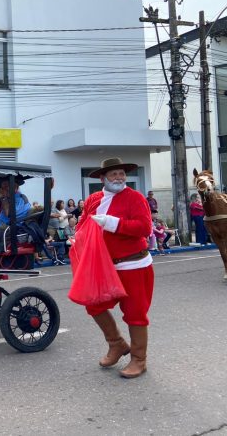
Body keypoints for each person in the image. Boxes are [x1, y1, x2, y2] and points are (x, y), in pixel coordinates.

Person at [79, 157, 154, 379]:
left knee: (135, 313)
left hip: (134, 264)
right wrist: (77, 238)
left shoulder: (135, 198)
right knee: (94, 303)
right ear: (103, 178)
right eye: (114, 174)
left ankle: (139, 360)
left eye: (122, 174)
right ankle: (117, 344)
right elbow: (84, 222)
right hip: (104, 265)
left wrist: (113, 223)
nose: (119, 178)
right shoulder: (94, 198)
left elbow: (144, 228)